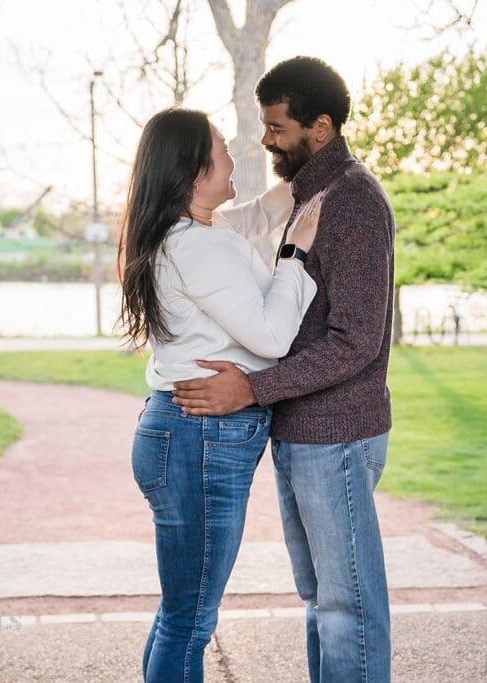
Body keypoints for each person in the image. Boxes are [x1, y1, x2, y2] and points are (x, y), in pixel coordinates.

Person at [171, 57, 397, 683]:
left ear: (319, 129)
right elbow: (230, 224)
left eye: (276, 127)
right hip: (301, 431)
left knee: (347, 605)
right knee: (321, 602)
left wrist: (252, 388)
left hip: (337, 434)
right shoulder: (305, 192)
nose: (266, 139)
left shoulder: (352, 201)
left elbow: (356, 341)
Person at [118, 106, 324, 682]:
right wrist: (294, 257)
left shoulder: (193, 232)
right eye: (222, 148)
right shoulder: (198, 246)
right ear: (193, 169)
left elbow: (259, 215)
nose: (237, 154)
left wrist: (318, 172)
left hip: (184, 434)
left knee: (179, 615)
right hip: (199, 438)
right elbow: (272, 335)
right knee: (189, 621)